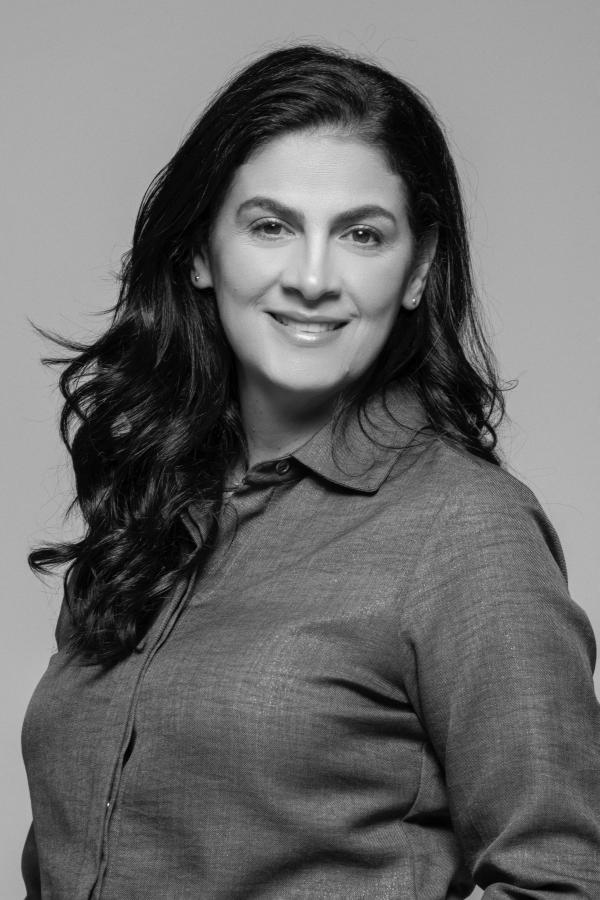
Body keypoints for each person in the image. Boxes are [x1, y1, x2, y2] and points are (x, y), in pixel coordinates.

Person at [21, 44, 600, 899]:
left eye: (362, 235)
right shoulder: (149, 509)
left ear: (418, 269)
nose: (314, 279)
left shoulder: (465, 529)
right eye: (271, 226)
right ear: (202, 251)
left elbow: (563, 878)